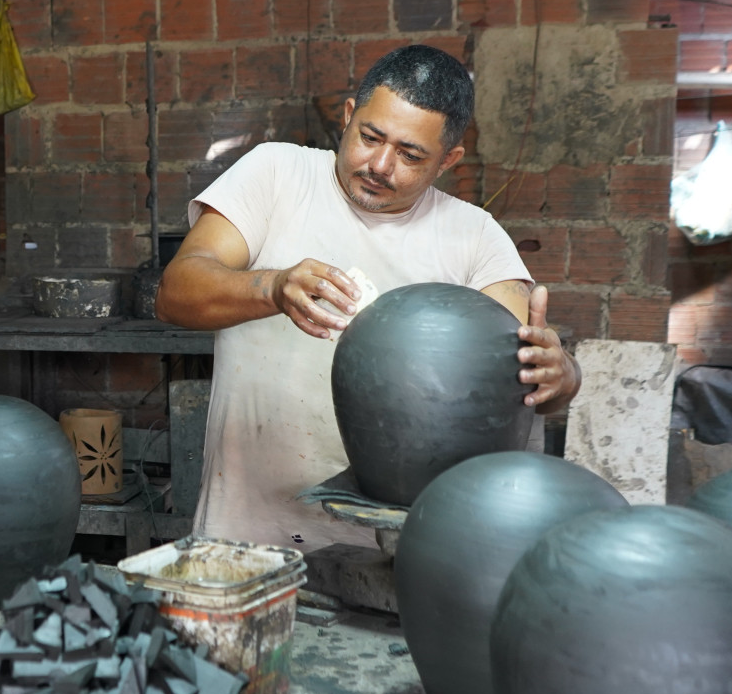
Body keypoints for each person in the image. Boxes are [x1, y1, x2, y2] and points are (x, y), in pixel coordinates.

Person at [156, 43, 580, 551]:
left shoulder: (475, 237)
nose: (380, 165)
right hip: (249, 536)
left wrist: (562, 374)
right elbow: (177, 290)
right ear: (349, 115)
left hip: (398, 549)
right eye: (370, 137)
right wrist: (270, 286)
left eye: (410, 154)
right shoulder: (277, 174)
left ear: (449, 159)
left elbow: (522, 368)